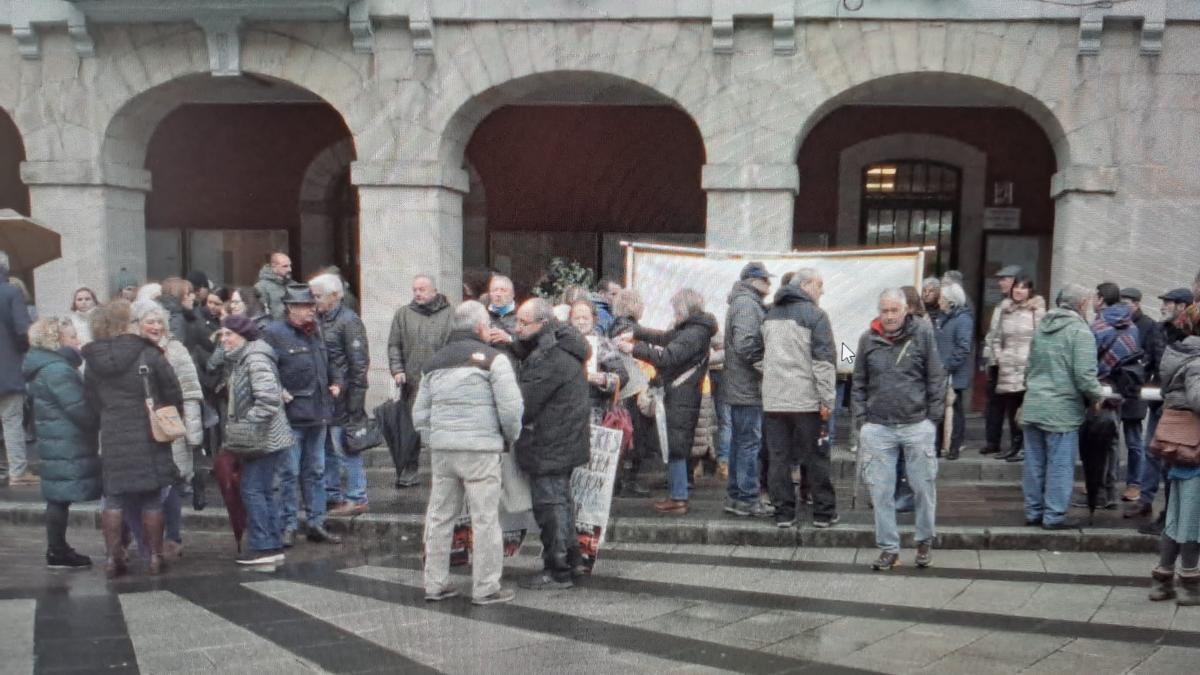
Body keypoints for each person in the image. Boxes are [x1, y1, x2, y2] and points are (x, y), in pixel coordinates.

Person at [414, 301, 524, 605]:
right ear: (479, 328)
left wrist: (433, 438)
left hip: (444, 450)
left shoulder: (434, 363)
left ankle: (434, 584)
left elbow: (419, 412)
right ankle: (486, 587)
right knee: (485, 518)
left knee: (439, 516)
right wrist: (508, 437)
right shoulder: (494, 359)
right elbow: (511, 409)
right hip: (480, 450)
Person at [83, 300, 183, 577]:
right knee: (152, 499)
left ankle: (113, 559)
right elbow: (172, 392)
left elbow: (91, 402)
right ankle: (154, 558)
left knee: (113, 499)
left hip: (113, 434)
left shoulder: (93, 362)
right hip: (149, 433)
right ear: (125, 324)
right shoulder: (148, 354)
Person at [853, 288, 945, 570]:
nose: (890, 316)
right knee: (880, 491)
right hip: (878, 427)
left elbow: (935, 376)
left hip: (917, 424)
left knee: (923, 487)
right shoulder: (867, 339)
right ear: (879, 311)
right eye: (885, 310)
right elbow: (858, 382)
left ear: (905, 310)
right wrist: (861, 420)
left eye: (895, 310)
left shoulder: (922, 334)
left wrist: (933, 419)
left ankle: (924, 540)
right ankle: (888, 548)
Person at [616, 289, 718, 515]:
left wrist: (633, 348)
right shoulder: (694, 329)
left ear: (684, 309)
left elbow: (666, 356)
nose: (674, 313)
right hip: (683, 394)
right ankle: (676, 494)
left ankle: (678, 497)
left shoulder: (693, 333)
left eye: (675, 309)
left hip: (682, 395)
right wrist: (637, 332)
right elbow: (664, 338)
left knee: (676, 446)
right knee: (675, 445)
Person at [512, 298, 591, 590]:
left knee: (551, 505)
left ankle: (558, 569)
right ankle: (572, 561)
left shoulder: (550, 357)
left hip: (550, 441)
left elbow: (525, 402)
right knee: (561, 502)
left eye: (523, 323)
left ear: (542, 324)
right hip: (563, 439)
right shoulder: (561, 345)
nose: (517, 328)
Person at [261, 283, 340, 546]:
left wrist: (336, 382)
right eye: (305, 307)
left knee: (316, 471)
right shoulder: (273, 333)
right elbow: (264, 369)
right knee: (289, 473)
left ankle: (316, 523)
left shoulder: (316, 331)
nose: (311, 311)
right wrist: (278, 389)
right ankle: (288, 525)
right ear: (291, 309)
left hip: (318, 412)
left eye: (311, 306)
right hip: (292, 415)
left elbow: (331, 363)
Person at [1022, 283, 1104, 531]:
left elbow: (1028, 369)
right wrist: (1097, 395)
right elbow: (1084, 375)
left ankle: (1033, 511)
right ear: (1081, 305)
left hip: (1034, 404)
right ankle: (1054, 515)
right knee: (1059, 464)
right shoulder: (1080, 332)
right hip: (1062, 410)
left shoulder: (1041, 328)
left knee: (1034, 464)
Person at [761, 268, 838, 528]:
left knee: (778, 458)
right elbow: (824, 361)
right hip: (806, 400)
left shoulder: (770, 313)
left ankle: (784, 512)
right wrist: (828, 400)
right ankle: (823, 512)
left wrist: (771, 373)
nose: (822, 291)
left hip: (774, 399)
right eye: (819, 284)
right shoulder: (817, 315)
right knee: (816, 456)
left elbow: (757, 352)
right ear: (806, 285)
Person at [218, 314, 294, 566]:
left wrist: (246, 424)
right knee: (262, 490)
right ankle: (272, 543)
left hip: (263, 438)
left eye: (229, 334)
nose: (224, 339)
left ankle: (264, 546)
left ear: (243, 335)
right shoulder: (246, 357)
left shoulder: (255, 358)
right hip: (266, 437)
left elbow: (268, 399)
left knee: (252, 489)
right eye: (222, 334)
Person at [24, 318, 99, 569]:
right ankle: (56, 550)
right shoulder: (58, 370)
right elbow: (78, 408)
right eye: (71, 336)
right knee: (58, 498)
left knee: (58, 497)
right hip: (66, 440)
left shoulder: (48, 367)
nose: (77, 340)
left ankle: (58, 548)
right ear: (56, 341)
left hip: (58, 439)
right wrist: (96, 418)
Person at [131, 300, 203, 559]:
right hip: (139, 428)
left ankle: (173, 537)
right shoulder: (132, 351)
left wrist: (193, 433)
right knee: (144, 487)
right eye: (149, 321)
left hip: (171, 427)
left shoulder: (177, 351)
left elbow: (191, 393)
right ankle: (147, 540)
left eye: (159, 321)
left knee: (172, 483)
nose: (155, 326)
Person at [1149, 303, 1200, 606]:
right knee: (1192, 520)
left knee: (1176, 515)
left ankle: (1163, 579)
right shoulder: (1197, 359)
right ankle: (1191, 583)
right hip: (1194, 447)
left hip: (1176, 445)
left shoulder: (1176, 352)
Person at [1131, 288, 1195, 529]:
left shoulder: (1187, 335)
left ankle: (1171, 516)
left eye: (1168, 303)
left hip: (1178, 407)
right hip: (1158, 400)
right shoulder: (1159, 329)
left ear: (1182, 306)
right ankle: (1147, 501)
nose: (1162, 307)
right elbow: (1150, 360)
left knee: (1173, 459)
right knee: (1153, 451)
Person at [311, 274, 370, 517]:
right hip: (324, 397)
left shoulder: (349, 321)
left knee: (345, 448)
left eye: (317, 296)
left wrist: (353, 400)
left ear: (335, 296)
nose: (313, 301)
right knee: (326, 449)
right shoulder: (318, 320)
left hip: (343, 398)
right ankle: (332, 494)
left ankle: (357, 496)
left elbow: (359, 364)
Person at [387, 274, 454, 488]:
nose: (417, 293)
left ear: (435, 291)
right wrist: (397, 369)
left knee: (443, 427)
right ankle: (408, 470)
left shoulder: (451, 314)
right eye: (415, 289)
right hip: (412, 380)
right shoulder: (403, 314)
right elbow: (394, 345)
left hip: (442, 379)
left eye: (422, 289)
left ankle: (445, 473)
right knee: (410, 429)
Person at [720, 262, 772, 518]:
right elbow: (745, 343)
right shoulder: (747, 304)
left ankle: (735, 497)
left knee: (741, 443)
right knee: (749, 443)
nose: (769, 286)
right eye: (766, 281)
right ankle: (748, 498)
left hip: (740, 384)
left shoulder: (742, 302)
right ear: (755, 281)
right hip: (748, 385)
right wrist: (764, 366)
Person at [1090, 281, 1141, 509]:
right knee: (1112, 440)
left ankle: (1100, 493)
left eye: (1094, 297)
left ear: (1101, 299)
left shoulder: (1099, 326)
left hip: (1100, 389)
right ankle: (1110, 491)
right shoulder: (1132, 326)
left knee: (1096, 441)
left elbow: (1089, 360)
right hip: (1121, 388)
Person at [989, 276, 1046, 463]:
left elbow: (1042, 338)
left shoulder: (1036, 310)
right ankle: (1014, 446)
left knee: (1027, 410)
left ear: (1030, 290)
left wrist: (1033, 360)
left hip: (1028, 368)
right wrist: (999, 356)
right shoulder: (1006, 310)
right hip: (1007, 368)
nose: (1019, 291)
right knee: (1011, 410)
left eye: (1023, 288)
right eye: (1016, 288)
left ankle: (1026, 448)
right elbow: (996, 338)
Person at [609, 288, 653, 496]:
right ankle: (629, 481)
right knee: (634, 433)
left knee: (624, 433)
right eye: (641, 304)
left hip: (622, 388)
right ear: (633, 305)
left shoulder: (614, 325)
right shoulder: (629, 328)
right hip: (633, 388)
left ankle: (620, 480)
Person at [1117, 287, 1157, 504]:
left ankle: (1135, 483)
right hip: (1116, 386)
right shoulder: (1117, 322)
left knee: (1134, 439)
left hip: (1135, 388)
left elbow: (1151, 355)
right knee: (1109, 438)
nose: (1124, 307)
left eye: (1128, 303)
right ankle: (1104, 481)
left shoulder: (1148, 325)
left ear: (1137, 304)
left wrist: (1139, 372)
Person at [0, 250, 34, 486]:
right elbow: (24, 331)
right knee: (11, 420)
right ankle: (17, 471)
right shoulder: (11, 292)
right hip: (7, 367)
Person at [982, 265, 1022, 455]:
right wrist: (988, 358)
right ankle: (992, 441)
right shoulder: (1001, 305)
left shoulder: (1024, 306)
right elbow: (992, 334)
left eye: (1005, 278)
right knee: (993, 404)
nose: (1000, 282)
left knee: (1014, 405)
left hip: (1014, 364)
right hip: (997, 361)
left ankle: (1016, 445)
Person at [568, 300, 629, 422]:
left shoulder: (603, 344)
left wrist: (604, 379)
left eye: (585, 318)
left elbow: (622, 376)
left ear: (594, 320)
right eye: (577, 318)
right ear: (570, 321)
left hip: (594, 414)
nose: (581, 322)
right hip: (566, 413)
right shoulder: (562, 344)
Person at [934, 282, 974, 461]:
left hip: (953, 373)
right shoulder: (942, 318)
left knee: (955, 410)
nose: (939, 301)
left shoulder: (963, 319)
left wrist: (948, 365)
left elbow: (963, 348)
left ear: (950, 301)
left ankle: (953, 446)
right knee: (940, 410)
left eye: (942, 298)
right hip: (941, 371)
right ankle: (939, 445)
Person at [159, 277, 199, 351]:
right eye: (187, 294)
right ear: (178, 295)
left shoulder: (176, 314)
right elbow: (176, 349)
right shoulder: (177, 317)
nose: (192, 297)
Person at [255, 252, 293, 321]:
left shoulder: (293, 285)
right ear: (274, 267)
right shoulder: (261, 287)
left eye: (290, 266)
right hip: (274, 329)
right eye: (285, 266)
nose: (289, 269)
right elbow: (260, 314)